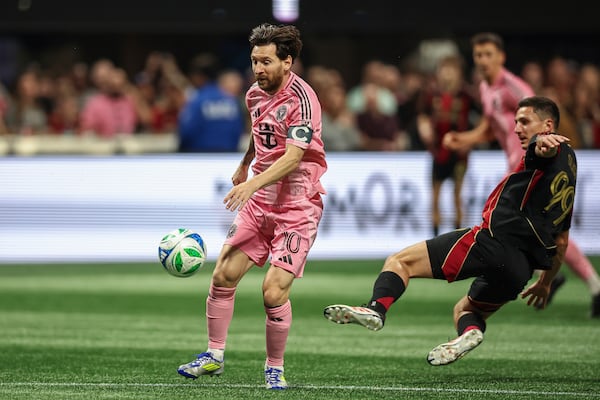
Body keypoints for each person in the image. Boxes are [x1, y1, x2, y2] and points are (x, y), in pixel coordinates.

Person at [324, 95, 575, 365]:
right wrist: (546, 283)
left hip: (491, 243)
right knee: (466, 309)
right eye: (515, 122)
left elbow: (541, 149)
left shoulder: (544, 148)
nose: (516, 129)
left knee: (399, 262)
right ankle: (469, 333)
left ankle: (376, 309)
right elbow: (561, 242)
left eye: (525, 122)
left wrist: (541, 142)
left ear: (548, 125)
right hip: (522, 270)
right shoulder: (570, 162)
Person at [177, 23, 327, 390]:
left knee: (273, 291)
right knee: (223, 275)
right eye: (254, 61)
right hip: (260, 201)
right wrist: (246, 163)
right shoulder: (254, 95)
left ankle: (274, 368)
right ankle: (213, 356)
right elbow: (260, 135)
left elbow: (293, 157)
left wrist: (251, 183)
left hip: (297, 204)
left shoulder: (303, 102)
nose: (258, 69)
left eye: (266, 62)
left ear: (287, 62)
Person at [443, 32, 600, 317]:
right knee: (542, 229)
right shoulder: (484, 88)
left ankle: (545, 272)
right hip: (516, 168)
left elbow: (541, 119)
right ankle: (563, 275)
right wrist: (464, 139)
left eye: (488, 54)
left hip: (531, 168)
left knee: (529, 226)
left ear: (501, 57)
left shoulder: (514, 88)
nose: (483, 60)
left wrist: (553, 156)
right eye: (478, 55)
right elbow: (491, 128)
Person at [416, 55, 480, 236]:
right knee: (435, 196)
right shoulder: (431, 94)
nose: (447, 74)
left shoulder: (467, 95)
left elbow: (484, 117)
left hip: (460, 153)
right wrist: (424, 128)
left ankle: (457, 237)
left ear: (459, 74)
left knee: (457, 196)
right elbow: (422, 115)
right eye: (444, 70)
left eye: (451, 70)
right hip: (438, 152)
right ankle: (435, 237)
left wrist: (471, 140)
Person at [176, 53, 246, 152]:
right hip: (228, 159)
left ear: (198, 76)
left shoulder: (196, 101)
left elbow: (186, 133)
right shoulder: (231, 101)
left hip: (200, 159)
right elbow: (238, 131)